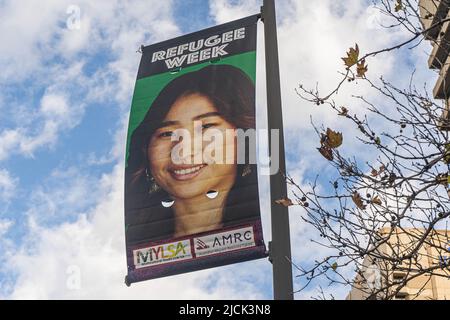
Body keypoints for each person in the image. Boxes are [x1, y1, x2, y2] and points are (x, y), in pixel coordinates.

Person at [125, 64, 260, 245]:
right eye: (167, 133)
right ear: (146, 150)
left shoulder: (272, 221)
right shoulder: (131, 245)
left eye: (206, 127)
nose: (182, 150)